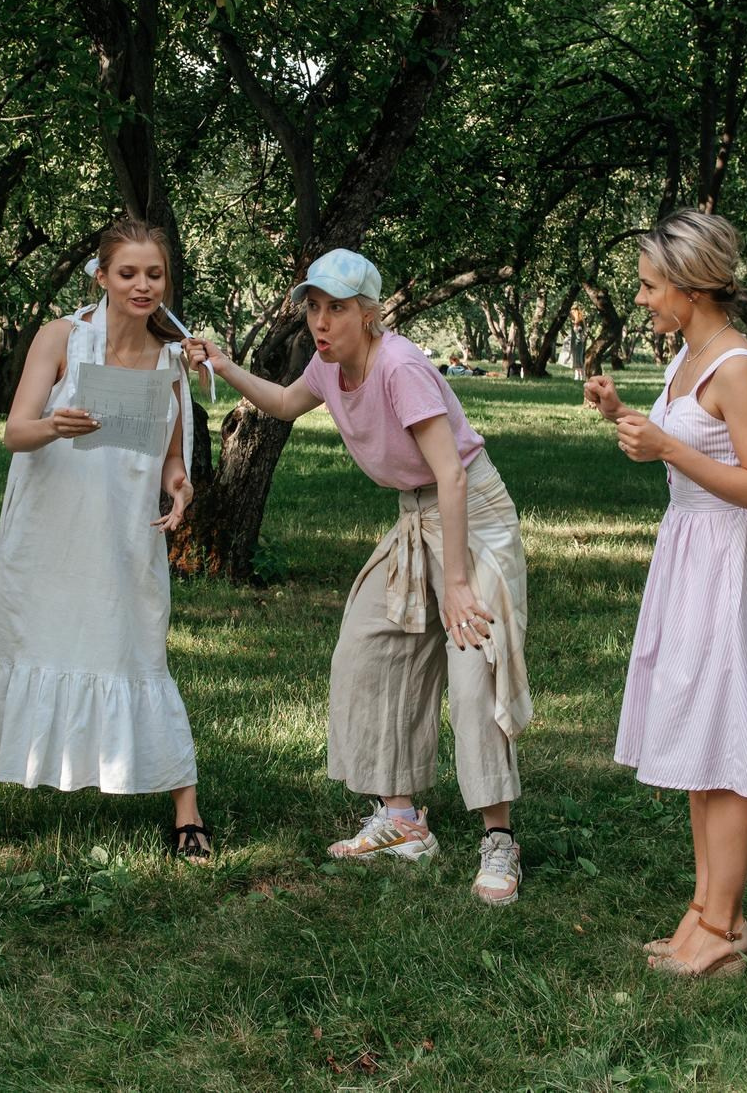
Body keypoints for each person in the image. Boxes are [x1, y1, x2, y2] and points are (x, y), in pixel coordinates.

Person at [184, 248, 533, 904]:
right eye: (314, 306)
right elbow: (286, 402)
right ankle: (401, 820)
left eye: (337, 307)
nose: (321, 320)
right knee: (368, 649)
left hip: (470, 515)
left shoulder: (400, 367)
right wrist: (225, 365)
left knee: (474, 661)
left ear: (369, 314)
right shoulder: (327, 362)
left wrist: (457, 583)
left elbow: (452, 474)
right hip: (416, 514)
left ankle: (499, 838)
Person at [0, 221, 208, 858]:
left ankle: (185, 810)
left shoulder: (173, 358)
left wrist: (180, 486)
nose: (142, 285)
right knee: (15, 642)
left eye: (154, 274)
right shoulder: (62, 337)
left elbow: (170, 459)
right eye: (128, 273)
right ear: (101, 277)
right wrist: (53, 423)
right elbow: (15, 434)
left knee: (138, 651)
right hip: (46, 531)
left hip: (124, 535)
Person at [584, 210, 747, 979]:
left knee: (731, 745)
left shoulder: (738, 367)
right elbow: (677, 448)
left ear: (690, 285)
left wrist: (667, 444)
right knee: (697, 738)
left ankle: (722, 923)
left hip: (731, 564)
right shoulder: (689, 354)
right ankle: (707, 907)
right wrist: (622, 414)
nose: (643, 298)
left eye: (652, 285)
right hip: (688, 554)